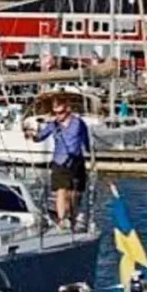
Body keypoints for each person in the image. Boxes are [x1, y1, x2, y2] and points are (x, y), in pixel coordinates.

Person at [30, 96, 90, 228]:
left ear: (68, 109)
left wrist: (88, 150)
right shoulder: (53, 125)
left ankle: (72, 216)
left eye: (60, 113)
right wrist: (33, 135)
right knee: (61, 191)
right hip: (59, 161)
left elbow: (84, 138)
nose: (57, 116)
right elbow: (40, 137)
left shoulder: (78, 123)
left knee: (74, 193)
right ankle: (62, 220)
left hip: (75, 160)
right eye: (55, 113)